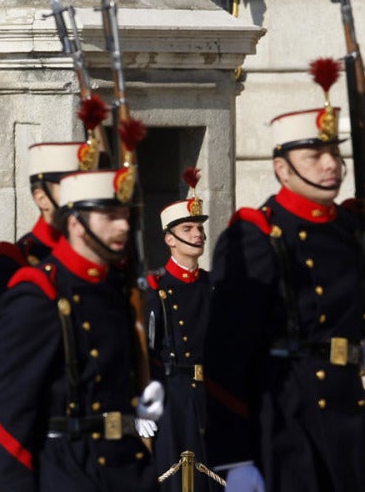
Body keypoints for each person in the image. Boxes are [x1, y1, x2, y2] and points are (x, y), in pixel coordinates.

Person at [204, 88, 365, 492]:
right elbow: (225, 352)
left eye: (335, 155)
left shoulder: (348, 227)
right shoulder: (258, 234)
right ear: (282, 168)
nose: (330, 166)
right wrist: (235, 457)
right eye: (314, 156)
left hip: (347, 408)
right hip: (285, 412)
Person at [0, 169, 163, 492]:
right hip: (68, 469)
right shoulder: (39, 294)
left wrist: (151, 384)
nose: (123, 225)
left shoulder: (116, 290)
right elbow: (7, 416)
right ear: (76, 223)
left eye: (124, 214)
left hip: (127, 469)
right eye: (109, 215)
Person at [0, 141, 83, 481]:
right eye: (70, 186)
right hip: (44, 448)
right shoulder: (11, 267)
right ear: (41, 197)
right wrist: (0, 465)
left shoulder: (105, 268)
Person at [145, 167, 213, 491]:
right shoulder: (156, 286)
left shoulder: (213, 285)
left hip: (211, 395)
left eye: (200, 227)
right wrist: (141, 402)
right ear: (170, 238)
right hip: (172, 396)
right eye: (189, 228)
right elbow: (144, 349)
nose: (198, 234)